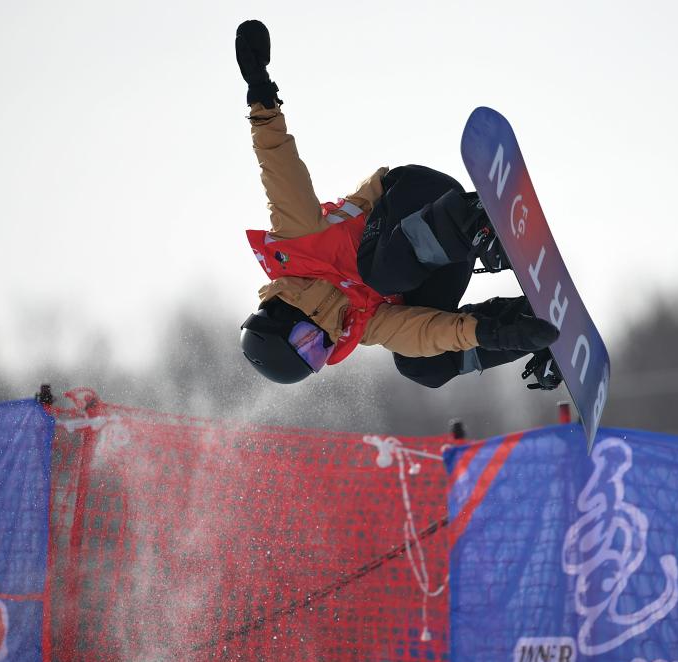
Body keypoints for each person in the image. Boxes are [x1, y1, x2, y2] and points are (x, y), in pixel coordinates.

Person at [235, 20, 562, 390]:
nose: (321, 344)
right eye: (317, 356)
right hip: (437, 257)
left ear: (282, 314)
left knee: (383, 275)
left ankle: (474, 224)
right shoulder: (360, 324)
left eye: (304, 343)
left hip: (413, 198)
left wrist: (259, 90)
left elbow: (279, 167)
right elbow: (423, 332)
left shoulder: (299, 244)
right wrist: (491, 334)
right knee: (420, 365)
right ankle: (526, 324)